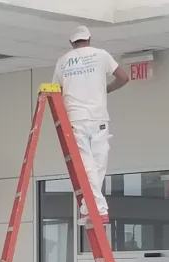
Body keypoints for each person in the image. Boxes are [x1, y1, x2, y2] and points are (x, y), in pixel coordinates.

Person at [52, 25, 129, 226]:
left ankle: (95, 209)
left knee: (86, 167)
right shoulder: (101, 55)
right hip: (99, 118)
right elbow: (124, 77)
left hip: (75, 119)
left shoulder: (63, 61)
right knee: (98, 166)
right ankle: (92, 209)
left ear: (71, 43)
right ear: (89, 39)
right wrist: (107, 90)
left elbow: (55, 92)